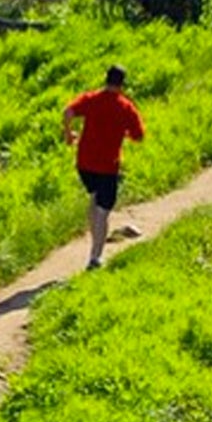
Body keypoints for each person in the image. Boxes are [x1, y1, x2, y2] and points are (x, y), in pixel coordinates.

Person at [63, 64, 145, 269]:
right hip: (107, 166)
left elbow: (68, 112)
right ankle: (95, 257)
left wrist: (68, 134)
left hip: (84, 163)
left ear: (106, 79)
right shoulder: (126, 107)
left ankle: (95, 240)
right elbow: (139, 136)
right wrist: (123, 133)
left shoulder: (91, 99)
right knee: (103, 210)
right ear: (122, 84)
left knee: (94, 198)